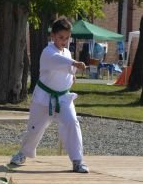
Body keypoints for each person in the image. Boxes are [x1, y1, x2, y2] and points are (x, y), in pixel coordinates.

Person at [10, 17, 89, 173]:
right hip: (44, 98)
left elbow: (67, 70)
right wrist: (74, 63)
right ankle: (23, 153)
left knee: (72, 122)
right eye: (60, 37)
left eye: (67, 38)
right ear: (52, 36)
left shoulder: (67, 52)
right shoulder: (48, 52)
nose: (64, 41)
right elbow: (57, 61)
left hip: (63, 98)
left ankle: (77, 160)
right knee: (35, 128)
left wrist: (72, 76)